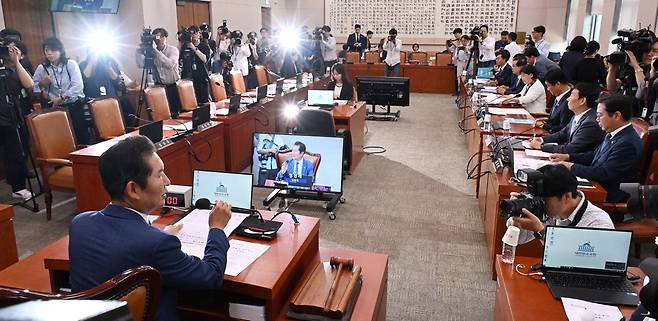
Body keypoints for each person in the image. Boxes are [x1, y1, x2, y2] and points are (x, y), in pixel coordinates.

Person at [69, 135, 232, 321]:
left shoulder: (79, 224)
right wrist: (217, 228)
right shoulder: (157, 244)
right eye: (159, 174)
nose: (168, 181)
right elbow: (211, 276)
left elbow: (125, 248)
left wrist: (157, 235)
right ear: (133, 190)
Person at [550, 93, 643, 220]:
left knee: (557, 192)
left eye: (599, 115)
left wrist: (571, 167)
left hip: (607, 195)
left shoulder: (628, 143)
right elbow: (595, 155)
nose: (597, 119)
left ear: (616, 115)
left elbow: (604, 173)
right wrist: (568, 157)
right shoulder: (614, 133)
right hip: (597, 184)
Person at [506, 164, 614, 246]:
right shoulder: (554, 209)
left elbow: (579, 260)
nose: (538, 202)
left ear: (566, 196)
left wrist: (541, 231)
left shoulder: (598, 223)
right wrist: (517, 218)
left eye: (544, 199)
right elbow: (518, 240)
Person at [33, 37, 89, 144]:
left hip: (73, 105)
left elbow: (78, 86)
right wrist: (42, 83)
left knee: (80, 136)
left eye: (52, 50)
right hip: (53, 108)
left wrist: (62, 97)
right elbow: (33, 88)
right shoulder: (42, 68)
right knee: (60, 139)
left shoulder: (70, 64)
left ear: (60, 50)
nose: (49, 53)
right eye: (46, 50)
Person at [527, 82, 604, 154]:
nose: (567, 99)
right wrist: (541, 140)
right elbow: (561, 134)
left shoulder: (589, 123)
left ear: (582, 101)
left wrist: (541, 147)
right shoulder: (577, 116)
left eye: (572, 95)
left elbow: (571, 149)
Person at [0, 42, 34, 201]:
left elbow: (29, 84)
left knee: (16, 152)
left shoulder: (14, 69)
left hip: (12, 117)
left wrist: (16, 61)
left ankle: (18, 188)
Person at [135, 28, 181, 116]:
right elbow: (141, 65)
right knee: (162, 114)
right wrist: (138, 52)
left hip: (172, 86)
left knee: (175, 113)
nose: (158, 39)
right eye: (156, 37)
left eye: (161, 36)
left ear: (165, 37)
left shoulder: (173, 50)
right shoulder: (151, 52)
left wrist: (156, 52)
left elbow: (170, 64)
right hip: (158, 87)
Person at [182, 25, 211, 103]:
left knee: (204, 103)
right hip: (189, 80)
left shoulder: (204, 46)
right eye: (190, 34)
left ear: (199, 34)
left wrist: (194, 48)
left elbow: (205, 59)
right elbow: (178, 57)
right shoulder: (185, 47)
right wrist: (180, 41)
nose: (192, 35)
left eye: (194, 33)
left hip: (201, 79)